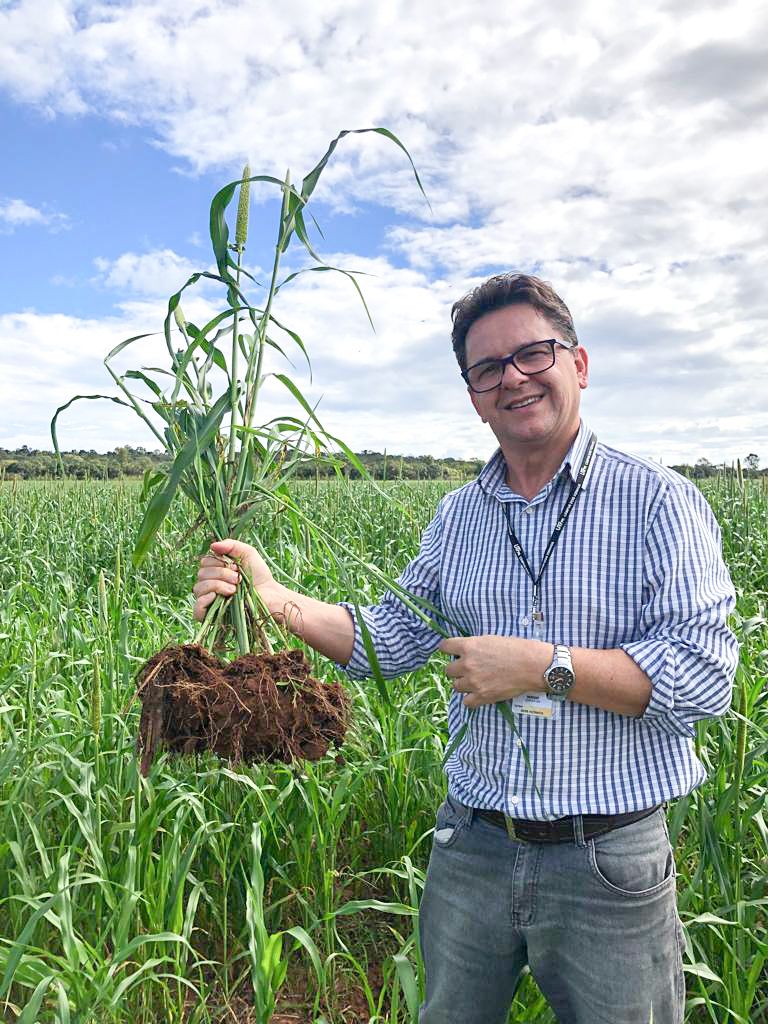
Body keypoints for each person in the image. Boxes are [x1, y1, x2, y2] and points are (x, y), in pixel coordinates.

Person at [193, 273, 738, 1024]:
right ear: (473, 394)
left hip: (607, 862)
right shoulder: (459, 517)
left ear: (577, 364)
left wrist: (544, 667)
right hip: (472, 847)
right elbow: (388, 639)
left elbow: (705, 678)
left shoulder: (659, 503)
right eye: (487, 369)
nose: (512, 377)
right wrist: (273, 598)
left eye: (532, 354)